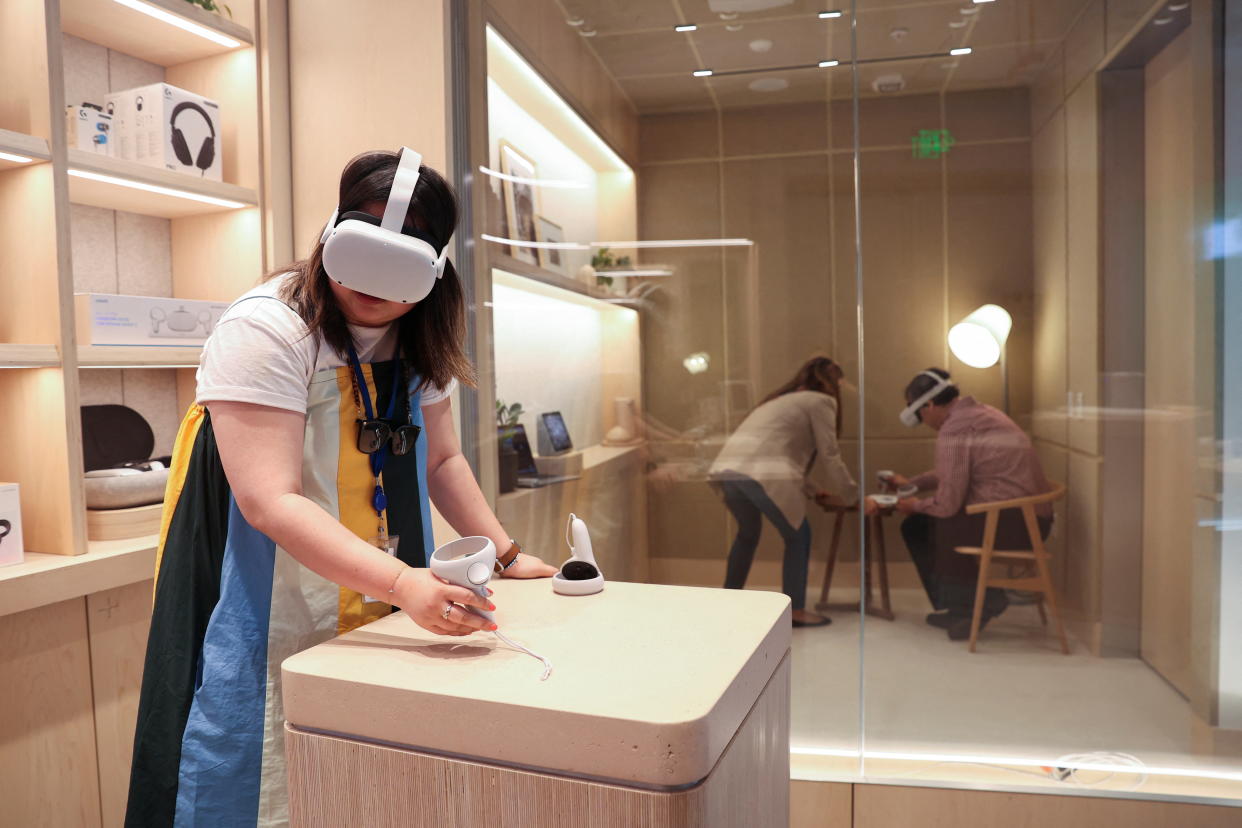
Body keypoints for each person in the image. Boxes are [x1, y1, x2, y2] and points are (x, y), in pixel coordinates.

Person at [125, 148, 555, 827]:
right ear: (331, 236)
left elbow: (441, 461)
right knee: (258, 748)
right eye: (361, 256)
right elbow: (269, 500)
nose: (374, 289)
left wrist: (507, 552)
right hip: (268, 576)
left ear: (433, 271)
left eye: (399, 269)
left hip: (379, 577)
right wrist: (404, 584)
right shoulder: (268, 326)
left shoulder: (423, 334)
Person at [868, 368, 1052, 641]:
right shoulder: (979, 414)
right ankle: (961, 605)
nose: (925, 422)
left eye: (921, 415)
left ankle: (981, 602)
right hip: (1031, 519)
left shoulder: (955, 428)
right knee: (925, 524)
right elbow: (953, 473)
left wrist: (912, 505)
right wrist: (912, 486)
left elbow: (947, 504)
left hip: (1013, 524)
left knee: (935, 524)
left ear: (929, 405)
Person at [709, 356, 858, 627]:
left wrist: (814, 491)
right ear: (834, 382)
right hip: (761, 473)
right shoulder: (822, 401)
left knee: (747, 533)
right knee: (799, 536)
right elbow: (829, 454)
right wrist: (853, 497)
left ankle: (728, 598)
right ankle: (796, 610)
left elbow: (777, 452)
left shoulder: (780, 400)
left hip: (727, 471)